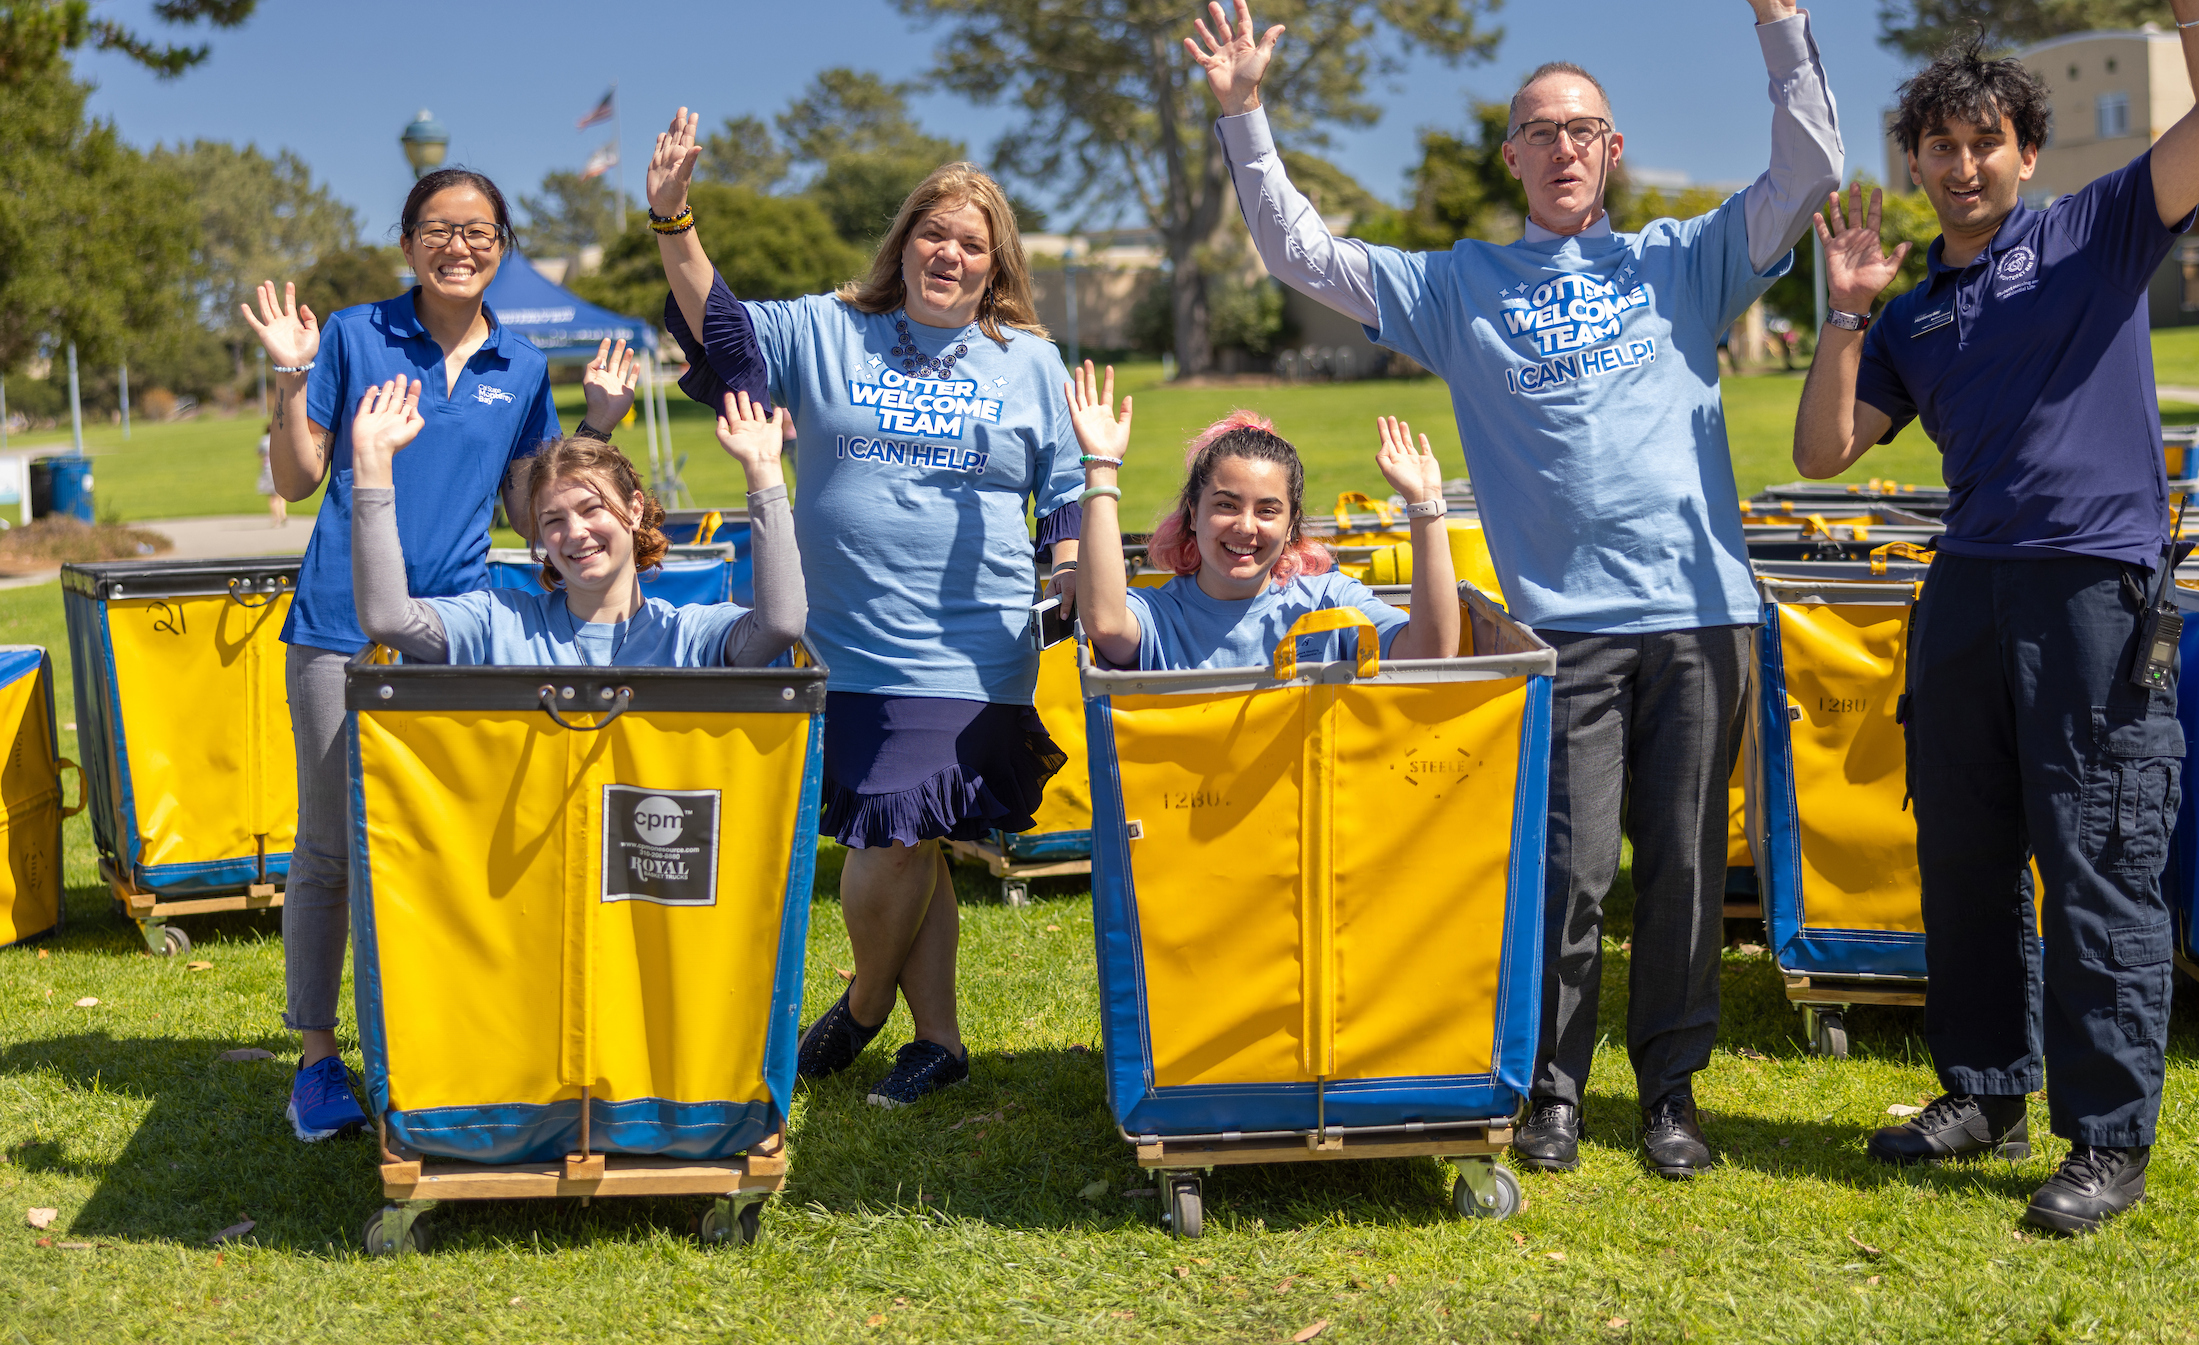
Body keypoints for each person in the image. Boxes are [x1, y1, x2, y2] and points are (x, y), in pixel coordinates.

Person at [1187, 0, 1843, 1178]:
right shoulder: (1457, 286)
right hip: (1567, 628)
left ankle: (1672, 1096)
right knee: (1573, 868)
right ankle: (1553, 1090)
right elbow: (1296, 250)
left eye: (1581, 127)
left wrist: (1779, 23)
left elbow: (1810, 171)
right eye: (1538, 128)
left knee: (1689, 869)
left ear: (1611, 148)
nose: (1561, 146)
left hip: (1701, 615)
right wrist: (1244, 116)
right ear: (1512, 155)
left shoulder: (1685, 263)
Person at [1791, 0, 2199, 1236]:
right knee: (1969, 848)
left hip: (2096, 593)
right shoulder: (1914, 312)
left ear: (2026, 150)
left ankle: (2106, 1138)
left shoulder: (2101, 230)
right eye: (1936, 145)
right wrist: (1846, 310)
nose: (1957, 163)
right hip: (1969, 598)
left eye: (1981, 141)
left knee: (2101, 852)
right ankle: (1983, 1088)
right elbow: (1823, 451)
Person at [643, 121, 1083, 1109]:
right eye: (934, 233)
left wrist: (1065, 574)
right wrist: (674, 219)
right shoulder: (830, 327)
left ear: (996, 262)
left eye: (972, 243)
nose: (950, 254)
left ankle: (864, 1005)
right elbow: (724, 333)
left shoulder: (1027, 361)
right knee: (909, 836)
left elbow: (1060, 488)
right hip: (840, 636)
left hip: (970, 644)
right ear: (905, 240)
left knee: (890, 833)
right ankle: (941, 1040)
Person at [242, 174, 639, 1144]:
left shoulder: (523, 359)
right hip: (338, 624)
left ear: (503, 241)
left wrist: (594, 425)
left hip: (456, 634)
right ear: (408, 239)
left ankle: (436, 1034)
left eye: (477, 230)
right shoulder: (353, 334)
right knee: (331, 849)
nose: (457, 245)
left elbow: (531, 508)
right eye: (437, 229)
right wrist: (292, 375)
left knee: (447, 846)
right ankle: (317, 1060)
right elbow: (297, 477)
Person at [348, 380, 804, 666]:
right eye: (553, 520)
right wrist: (371, 465)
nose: (576, 532)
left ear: (633, 509)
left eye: (592, 508)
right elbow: (389, 618)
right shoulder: (499, 623)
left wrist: (764, 472)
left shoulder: (688, 636)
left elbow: (780, 626)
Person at [1063, 362, 1459, 672]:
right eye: (1226, 505)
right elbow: (1106, 623)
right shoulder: (1160, 614)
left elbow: (1431, 653)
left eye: (1267, 510)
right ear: (1193, 514)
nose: (1246, 526)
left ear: (1291, 527)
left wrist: (1425, 506)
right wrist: (1101, 466)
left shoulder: (1330, 601)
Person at [257, 426, 286, 526]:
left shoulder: (263, 440)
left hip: (267, 470)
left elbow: (258, 453)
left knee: (272, 497)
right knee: (281, 494)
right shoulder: (279, 438)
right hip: (280, 467)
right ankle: (283, 514)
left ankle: (276, 519)